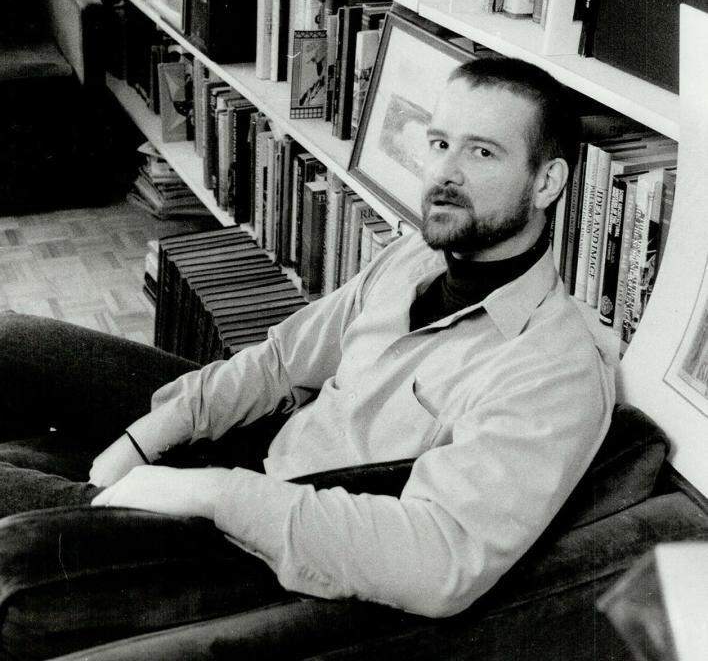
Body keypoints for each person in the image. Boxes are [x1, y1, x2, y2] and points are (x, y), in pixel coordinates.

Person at [0, 57, 615, 629]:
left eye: (482, 152)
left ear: (546, 183)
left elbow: (440, 562)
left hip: (270, 552)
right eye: (439, 143)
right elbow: (280, 361)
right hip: (257, 458)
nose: (445, 174)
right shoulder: (412, 259)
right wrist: (146, 436)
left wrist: (212, 493)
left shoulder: (553, 369)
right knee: (13, 338)